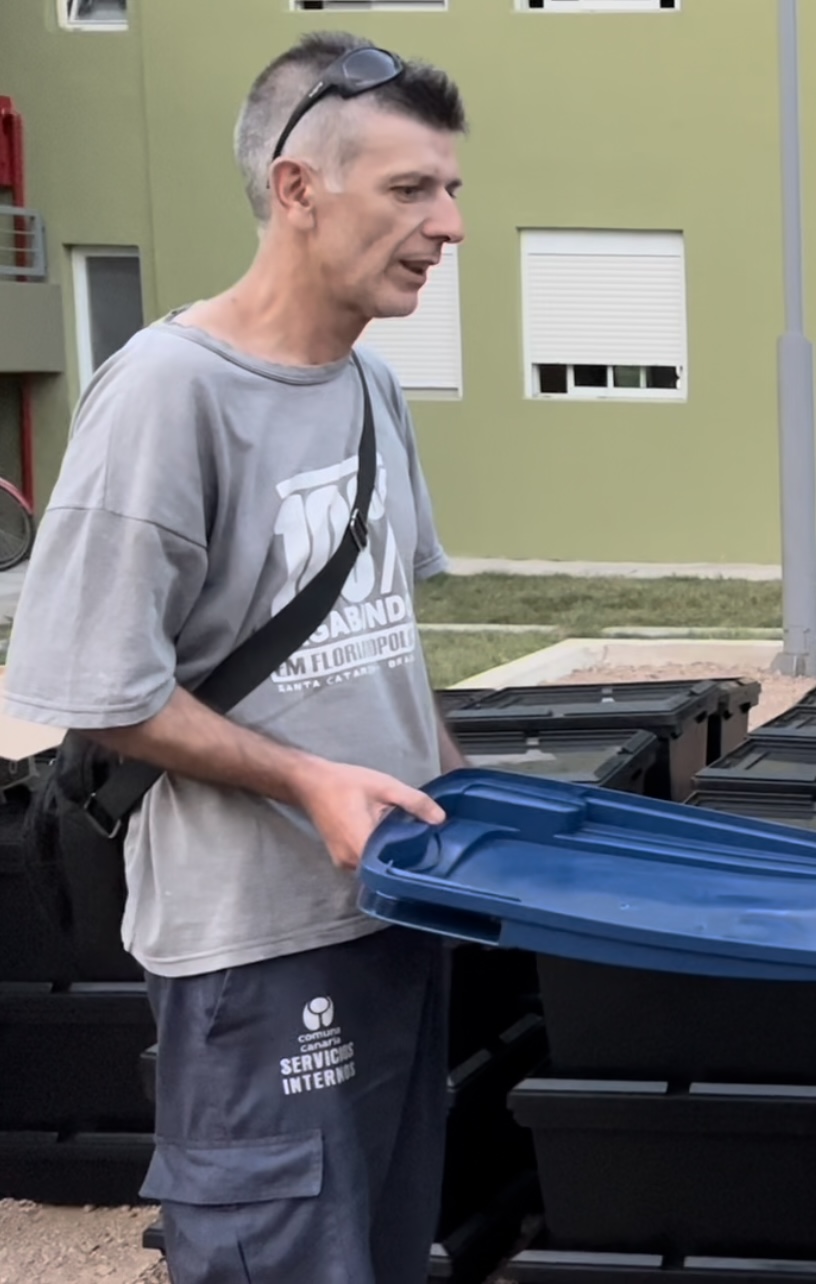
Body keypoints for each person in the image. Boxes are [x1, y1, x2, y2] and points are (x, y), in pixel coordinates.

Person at [4, 33, 468, 1284]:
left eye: (453, 189)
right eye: (411, 190)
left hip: (391, 906)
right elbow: (96, 689)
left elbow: (388, 644)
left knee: (384, 1247)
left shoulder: (370, 387)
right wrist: (311, 784)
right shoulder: (168, 393)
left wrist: (468, 810)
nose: (450, 225)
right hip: (255, 945)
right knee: (279, 1257)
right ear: (297, 188)